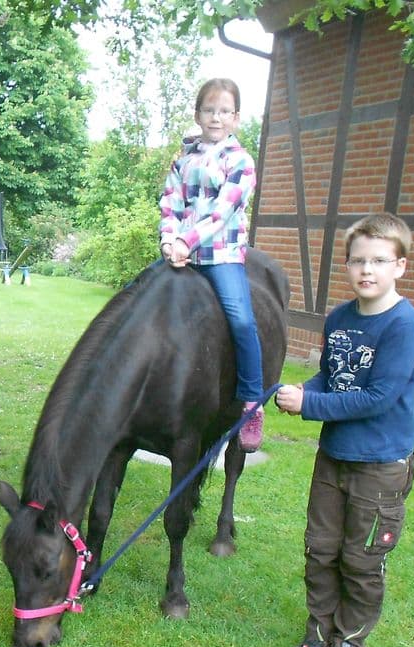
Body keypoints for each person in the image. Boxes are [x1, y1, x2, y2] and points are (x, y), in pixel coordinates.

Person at [275, 212, 414, 647]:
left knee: (361, 560)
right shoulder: (340, 319)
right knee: (320, 549)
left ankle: (349, 643)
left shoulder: (403, 326)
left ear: (400, 266)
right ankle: (318, 630)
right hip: (334, 458)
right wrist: (303, 390)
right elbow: (334, 376)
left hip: (380, 465)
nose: (367, 270)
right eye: (358, 261)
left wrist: (311, 405)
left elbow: (377, 397)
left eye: (380, 260)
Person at [159, 77, 265, 452]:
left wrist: (186, 240)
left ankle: (252, 400)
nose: (215, 117)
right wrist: (169, 240)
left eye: (224, 111)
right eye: (209, 110)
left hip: (220, 256)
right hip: (180, 256)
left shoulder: (241, 162)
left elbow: (222, 212)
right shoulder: (182, 160)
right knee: (133, 299)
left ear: (235, 118)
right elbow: (170, 205)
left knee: (241, 318)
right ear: (197, 114)